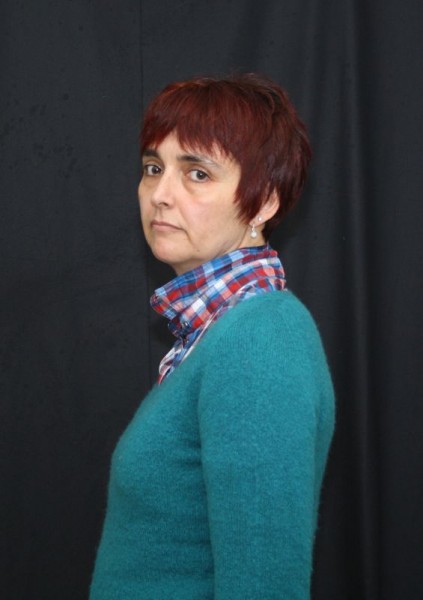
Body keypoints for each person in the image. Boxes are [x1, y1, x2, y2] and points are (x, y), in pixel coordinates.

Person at [90, 73, 335, 600]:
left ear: (264, 201)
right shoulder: (216, 332)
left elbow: (264, 586)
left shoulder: (261, 337)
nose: (160, 195)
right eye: (153, 168)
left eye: (197, 173)